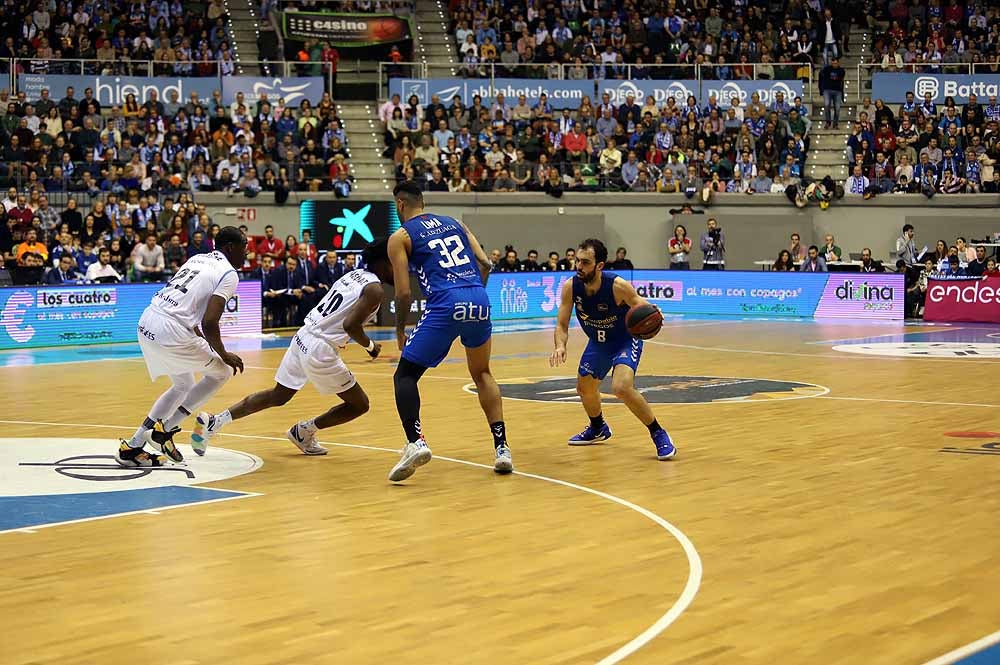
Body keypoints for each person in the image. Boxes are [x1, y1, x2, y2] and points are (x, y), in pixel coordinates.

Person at [191, 240, 394, 456]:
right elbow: (350, 325)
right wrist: (370, 346)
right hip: (320, 347)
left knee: (279, 395)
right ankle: (304, 431)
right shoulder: (374, 289)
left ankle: (214, 422)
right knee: (359, 404)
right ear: (383, 263)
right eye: (393, 262)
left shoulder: (352, 275)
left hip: (304, 335)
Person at [386, 181, 512, 480]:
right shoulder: (454, 222)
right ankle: (502, 448)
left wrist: (400, 328)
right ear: (423, 202)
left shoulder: (400, 236)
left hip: (445, 302)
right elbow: (485, 263)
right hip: (478, 298)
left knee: (405, 375)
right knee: (482, 373)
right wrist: (473, 296)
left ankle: (415, 442)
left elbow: (403, 293)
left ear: (401, 205)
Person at [117, 226, 248, 467]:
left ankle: (133, 446)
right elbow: (210, 322)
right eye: (244, 248)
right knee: (223, 371)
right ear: (231, 248)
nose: (246, 254)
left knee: (183, 384)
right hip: (171, 330)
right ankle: (164, 430)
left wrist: (197, 334)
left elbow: (185, 303)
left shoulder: (197, 258)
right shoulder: (228, 273)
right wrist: (224, 354)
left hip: (147, 320)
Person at [549, 238, 675, 460]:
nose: (579, 266)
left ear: (599, 266)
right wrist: (560, 345)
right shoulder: (571, 287)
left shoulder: (617, 286)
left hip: (624, 340)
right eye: (577, 261)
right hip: (598, 342)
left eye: (585, 262)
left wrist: (655, 312)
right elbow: (561, 324)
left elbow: (641, 305)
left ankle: (658, 433)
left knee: (621, 387)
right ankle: (598, 428)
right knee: (584, 388)